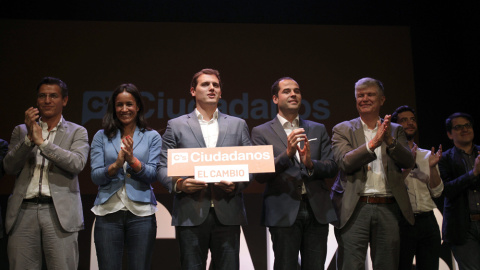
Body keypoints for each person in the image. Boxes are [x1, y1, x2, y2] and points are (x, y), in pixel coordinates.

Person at [158, 68, 252, 270]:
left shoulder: (238, 125)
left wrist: (236, 184)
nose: (211, 88)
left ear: (220, 93)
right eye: (205, 84)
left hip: (227, 211)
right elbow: (162, 166)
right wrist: (180, 184)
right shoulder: (176, 125)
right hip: (190, 212)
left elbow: (251, 164)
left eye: (215, 85)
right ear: (192, 91)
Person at [3, 77, 89, 269]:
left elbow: (76, 163)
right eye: (42, 96)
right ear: (37, 100)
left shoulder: (77, 132)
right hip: (23, 211)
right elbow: (9, 166)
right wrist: (28, 140)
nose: (47, 101)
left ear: (64, 101)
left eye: (53, 96)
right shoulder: (21, 130)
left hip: (59, 214)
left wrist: (42, 143)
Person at [251, 77, 337, 269]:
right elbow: (260, 173)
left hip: (317, 210)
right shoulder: (261, 132)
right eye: (287, 91)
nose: (293, 94)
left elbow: (332, 166)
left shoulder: (317, 128)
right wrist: (287, 154)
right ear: (275, 98)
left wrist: (310, 164)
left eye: (296, 91)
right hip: (283, 210)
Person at [330, 77, 415, 270]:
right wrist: (372, 144)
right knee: (351, 265)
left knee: (387, 265)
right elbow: (344, 162)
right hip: (355, 207)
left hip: (388, 206)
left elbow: (408, 161)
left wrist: (390, 141)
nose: (365, 98)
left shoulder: (395, 130)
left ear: (382, 100)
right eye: (360, 95)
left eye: (370, 94)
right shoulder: (342, 129)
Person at [90, 83, 161, 270]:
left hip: (142, 213)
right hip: (108, 211)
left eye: (129, 104)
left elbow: (154, 174)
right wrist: (116, 165)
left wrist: (132, 160)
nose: (124, 109)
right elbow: (96, 176)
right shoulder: (101, 136)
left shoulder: (152, 136)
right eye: (119, 105)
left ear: (138, 106)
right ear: (114, 108)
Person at [391, 105, 443, 270]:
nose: (410, 123)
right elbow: (392, 187)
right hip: (402, 221)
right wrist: (408, 165)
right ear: (395, 126)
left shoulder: (427, 154)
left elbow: (437, 191)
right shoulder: (390, 155)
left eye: (412, 120)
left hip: (428, 221)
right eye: (404, 120)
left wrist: (433, 168)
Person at [438, 112, 480, 270]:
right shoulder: (443, 158)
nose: (465, 129)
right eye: (458, 127)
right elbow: (446, 189)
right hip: (463, 227)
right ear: (450, 134)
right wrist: (473, 173)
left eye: (467, 125)